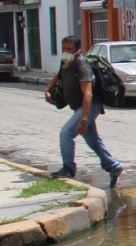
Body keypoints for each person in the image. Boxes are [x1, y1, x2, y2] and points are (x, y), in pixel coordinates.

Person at [44, 35, 124, 187]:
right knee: (93, 140)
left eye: (69, 49)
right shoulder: (66, 63)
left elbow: (88, 95)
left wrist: (84, 119)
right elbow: (59, 75)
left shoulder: (82, 67)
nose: (66, 52)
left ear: (77, 50)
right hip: (79, 108)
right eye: (64, 49)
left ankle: (68, 168)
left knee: (66, 133)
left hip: (89, 107)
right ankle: (114, 167)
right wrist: (48, 89)